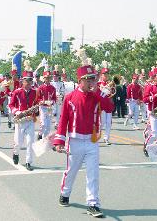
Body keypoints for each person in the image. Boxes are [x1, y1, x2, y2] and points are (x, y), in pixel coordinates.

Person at [54, 49, 104, 218]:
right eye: (88, 79)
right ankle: (65, 193)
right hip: (75, 140)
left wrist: (98, 91)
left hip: (92, 140)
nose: (92, 81)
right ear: (80, 80)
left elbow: (110, 107)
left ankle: (93, 203)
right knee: (72, 170)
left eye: (93, 78)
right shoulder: (69, 97)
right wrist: (59, 141)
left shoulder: (97, 95)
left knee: (93, 172)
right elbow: (63, 120)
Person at [97, 60, 115, 145]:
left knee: (109, 123)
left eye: (107, 74)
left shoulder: (110, 83)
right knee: (102, 122)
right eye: (104, 74)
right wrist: (104, 91)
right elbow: (97, 94)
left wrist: (111, 93)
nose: (106, 76)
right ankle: (97, 135)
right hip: (102, 105)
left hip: (109, 105)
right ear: (101, 75)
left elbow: (113, 93)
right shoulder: (98, 83)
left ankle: (106, 138)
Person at [36, 66, 57, 140]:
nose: (48, 79)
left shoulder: (53, 88)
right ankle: (40, 133)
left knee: (48, 126)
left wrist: (52, 101)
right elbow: (37, 99)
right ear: (44, 78)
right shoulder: (40, 88)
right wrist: (43, 101)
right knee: (43, 124)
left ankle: (44, 140)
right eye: (46, 78)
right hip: (43, 107)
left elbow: (54, 98)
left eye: (49, 78)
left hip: (50, 108)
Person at [51, 65, 66, 129]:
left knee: (58, 111)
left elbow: (63, 91)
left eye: (56, 76)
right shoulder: (51, 83)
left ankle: (57, 124)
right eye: (54, 76)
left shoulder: (61, 83)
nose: (55, 77)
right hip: (52, 99)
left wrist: (61, 95)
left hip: (59, 99)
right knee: (53, 112)